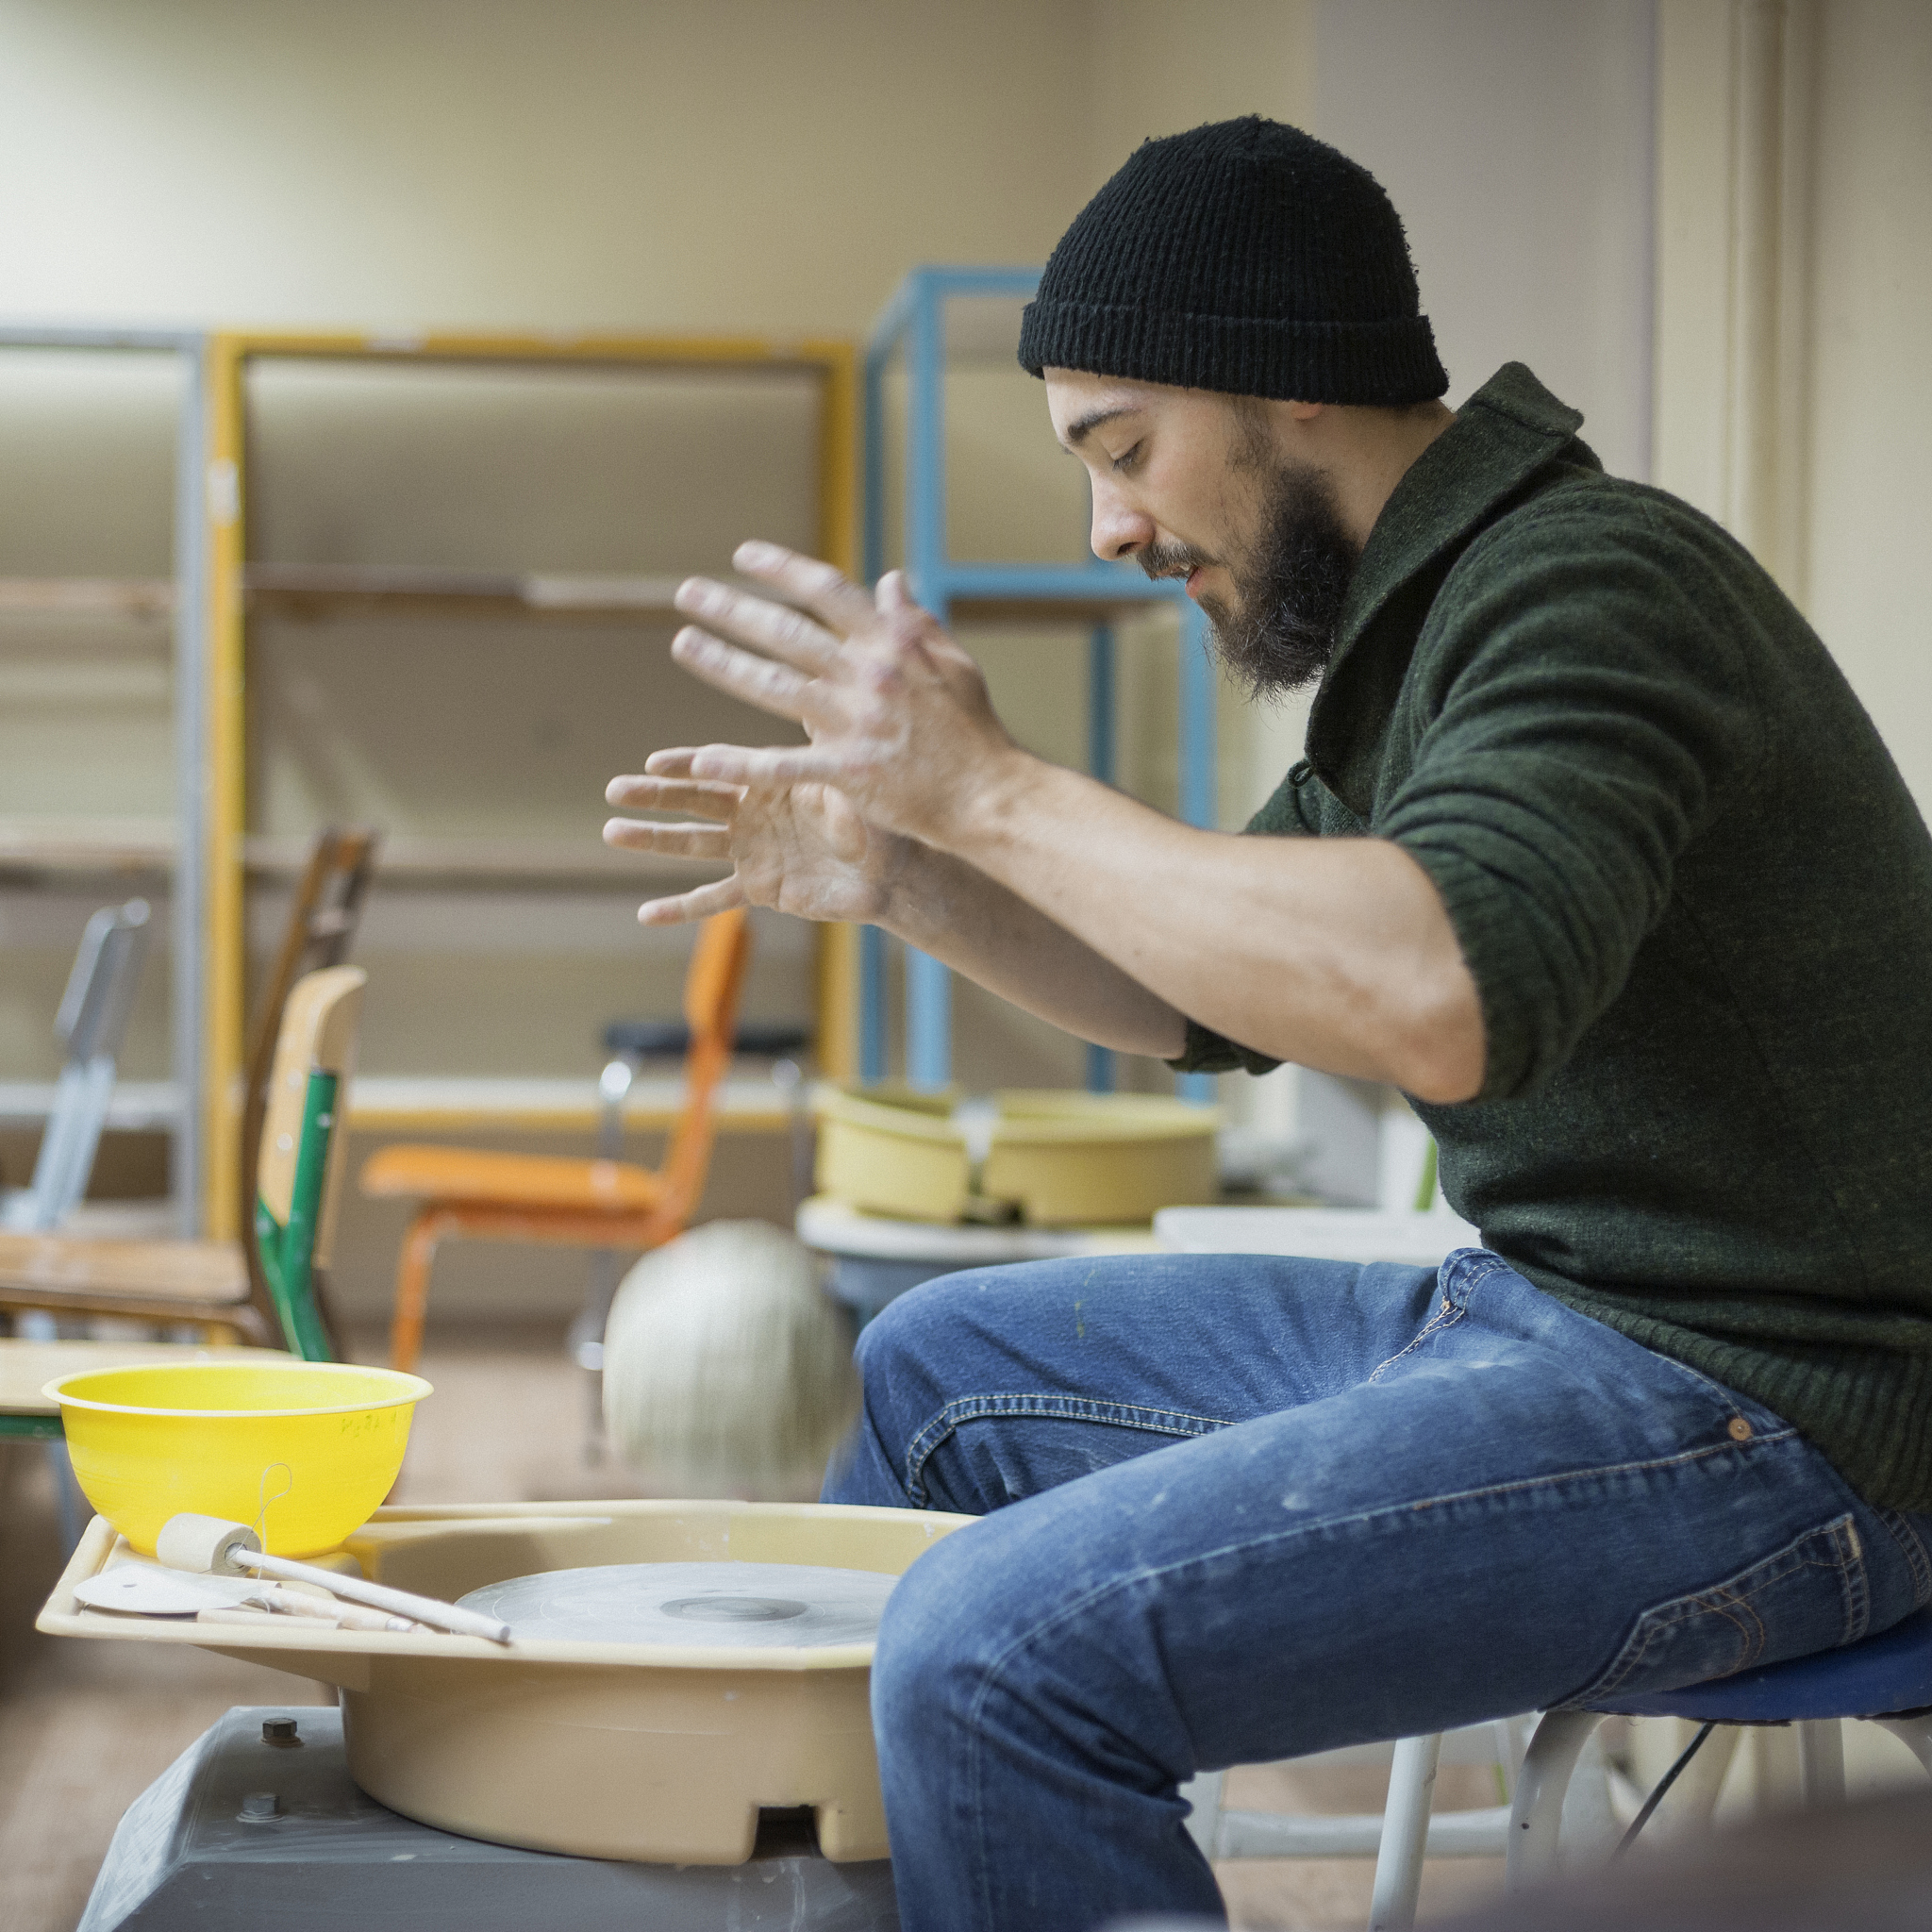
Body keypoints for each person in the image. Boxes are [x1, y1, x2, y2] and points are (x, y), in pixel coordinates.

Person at [604, 118, 1932, 1932]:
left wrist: (991, 793)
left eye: (1125, 448)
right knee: (932, 1373)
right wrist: (907, 874)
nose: (1111, 525)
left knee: (994, 1656)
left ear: (1291, 385)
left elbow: (1436, 989)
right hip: (1562, 1320)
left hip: (1787, 1416)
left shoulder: (1594, 586)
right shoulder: (1430, 637)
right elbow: (1189, 990)